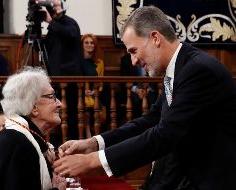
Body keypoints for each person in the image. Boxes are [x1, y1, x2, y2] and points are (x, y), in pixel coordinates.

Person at [53, 5, 236, 190]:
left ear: (155, 38)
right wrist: (93, 144)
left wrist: (93, 161)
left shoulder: (197, 70)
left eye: (133, 51)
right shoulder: (179, 68)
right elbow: (150, 121)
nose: (133, 61)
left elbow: (166, 133)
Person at [0, 67, 65, 190]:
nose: (60, 104)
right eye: (52, 97)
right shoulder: (16, 143)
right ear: (33, 107)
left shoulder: (22, 137)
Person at [42, 0, 83, 139]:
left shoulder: (70, 22)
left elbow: (70, 34)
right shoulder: (53, 28)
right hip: (55, 79)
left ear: (63, 7)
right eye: (51, 5)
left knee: (70, 114)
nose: (53, 7)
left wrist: (50, 22)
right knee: (56, 113)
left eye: (56, 4)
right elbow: (45, 49)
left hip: (70, 79)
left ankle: (73, 141)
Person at [118, 52, 158, 120]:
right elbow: (123, 79)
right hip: (132, 90)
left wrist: (148, 89)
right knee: (135, 101)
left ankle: (151, 125)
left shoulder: (151, 56)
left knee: (153, 100)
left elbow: (157, 74)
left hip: (149, 89)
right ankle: (137, 125)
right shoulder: (125, 59)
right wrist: (136, 90)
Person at [81, 33, 104, 138]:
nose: (89, 45)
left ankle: (96, 134)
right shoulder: (78, 61)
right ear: (82, 45)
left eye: (91, 43)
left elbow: (101, 82)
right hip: (81, 93)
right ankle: (88, 133)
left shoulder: (99, 63)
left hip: (94, 93)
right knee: (85, 109)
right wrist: (83, 92)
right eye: (86, 43)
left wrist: (95, 91)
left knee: (98, 110)